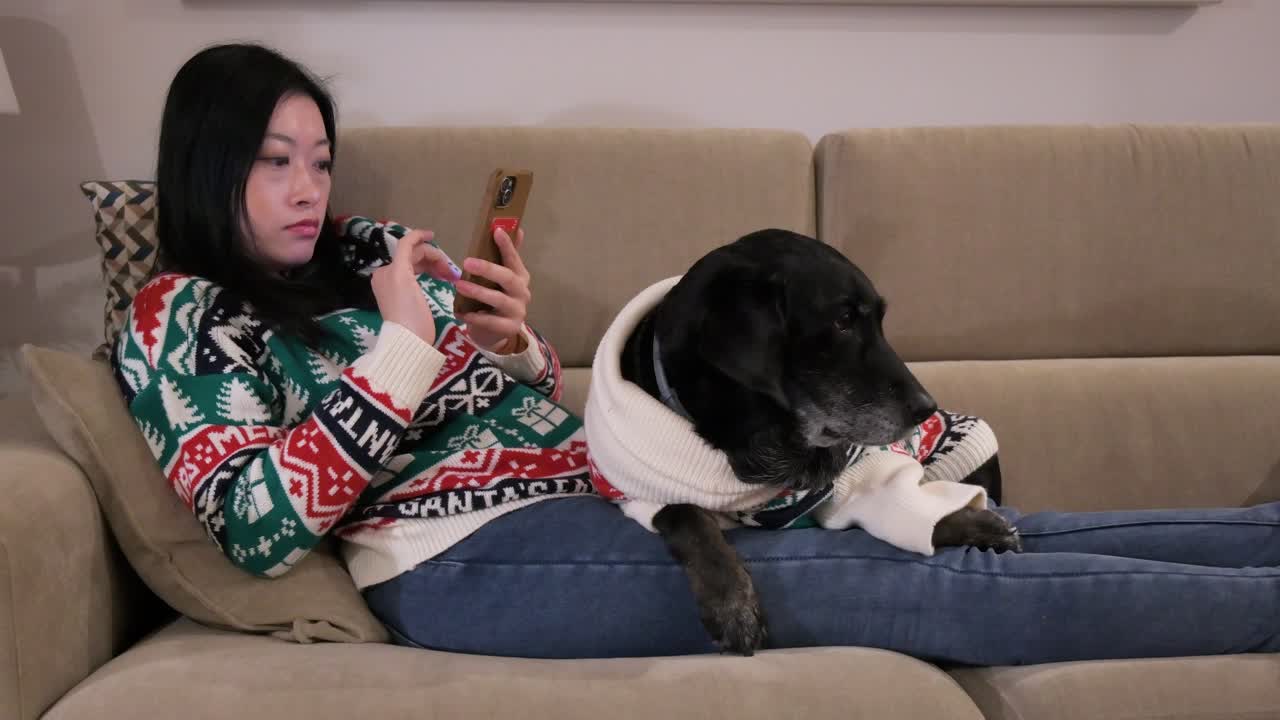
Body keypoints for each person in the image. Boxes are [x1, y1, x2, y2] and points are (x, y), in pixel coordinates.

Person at [114, 42, 1280, 665]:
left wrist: (506, 349)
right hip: (451, 556)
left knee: (965, 525)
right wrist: (406, 352)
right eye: (275, 161)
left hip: (610, 487)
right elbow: (258, 525)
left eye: (319, 156)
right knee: (922, 586)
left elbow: (498, 406)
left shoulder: (376, 254)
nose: (310, 188)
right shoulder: (179, 316)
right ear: (207, 165)